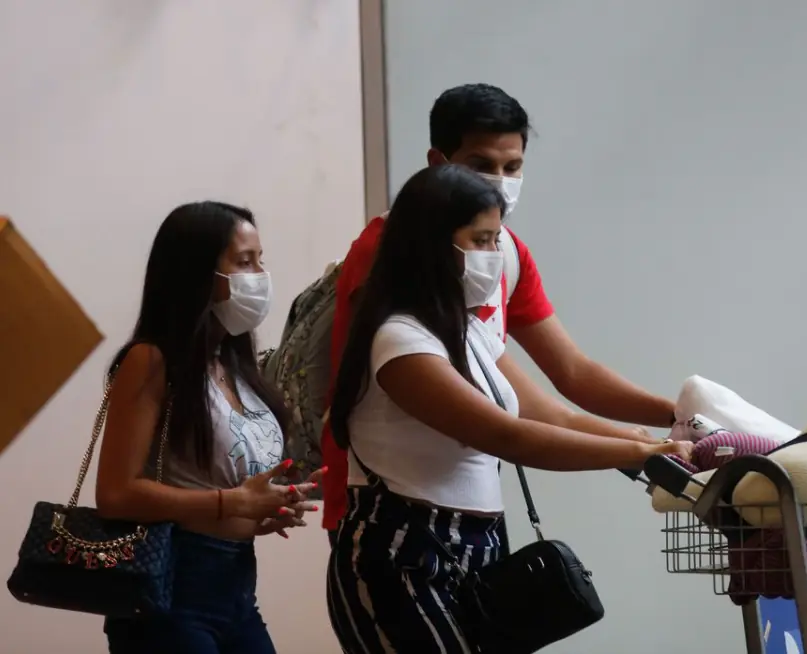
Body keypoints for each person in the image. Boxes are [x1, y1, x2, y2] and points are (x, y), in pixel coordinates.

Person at [325, 164, 691, 653]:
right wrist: (639, 455)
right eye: (480, 240)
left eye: (497, 240)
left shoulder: (468, 329)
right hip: (404, 553)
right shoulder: (400, 340)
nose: (494, 256)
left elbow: (555, 416)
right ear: (429, 244)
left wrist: (655, 438)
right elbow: (507, 436)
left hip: (476, 549)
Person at [320, 82, 677, 544]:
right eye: (482, 165)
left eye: (513, 167)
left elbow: (569, 375)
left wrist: (674, 421)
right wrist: (635, 452)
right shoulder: (392, 262)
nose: (501, 182)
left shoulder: (504, 256)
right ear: (439, 164)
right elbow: (506, 433)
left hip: (471, 504)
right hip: (393, 503)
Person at [95, 202, 325, 654]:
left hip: (236, 586)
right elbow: (116, 494)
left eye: (261, 260)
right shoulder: (152, 360)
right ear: (196, 274)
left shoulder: (234, 365)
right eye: (243, 262)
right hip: (170, 591)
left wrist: (268, 505)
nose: (259, 275)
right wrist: (232, 502)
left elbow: (216, 484)